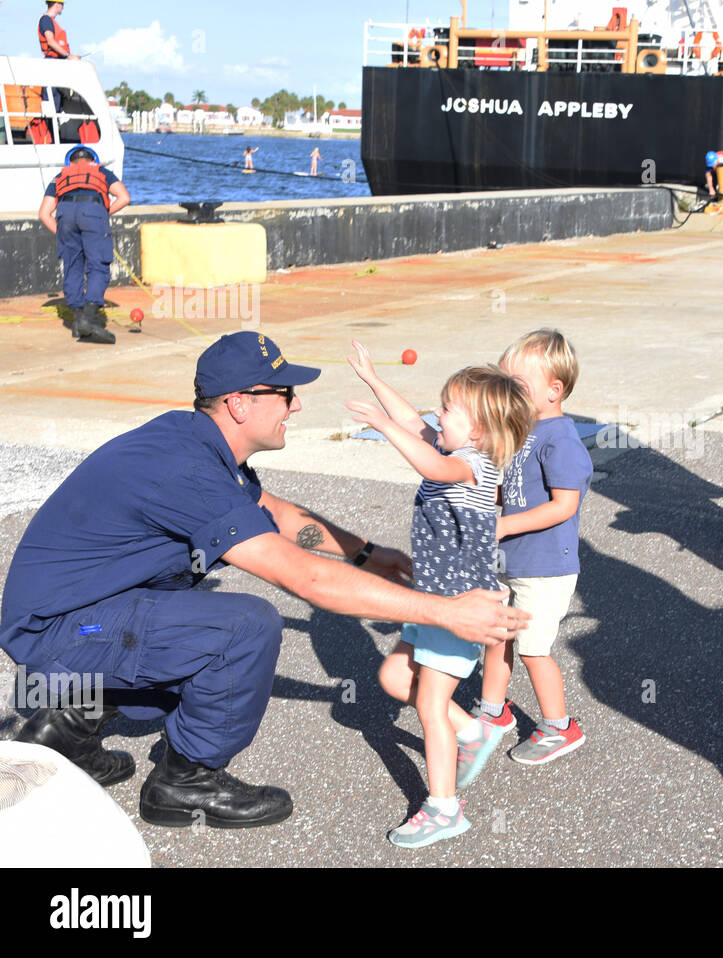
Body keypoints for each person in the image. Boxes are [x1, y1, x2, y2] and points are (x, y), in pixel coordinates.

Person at [1, 332, 528, 830]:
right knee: (244, 626)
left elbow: (276, 514)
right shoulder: (187, 470)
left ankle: (66, 728)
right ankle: (186, 781)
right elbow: (307, 580)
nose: (296, 406)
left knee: (177, 607)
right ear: (239, 403)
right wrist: (445, 611)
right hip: (58, 629)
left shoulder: (197, 442)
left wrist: (366, 554)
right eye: (285, 393)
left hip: (73, 611)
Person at [346, 345, 534, 847]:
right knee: (392, 677)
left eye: (448, 409)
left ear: (478, 431)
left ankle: (443, 808)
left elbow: (431, 464)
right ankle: (473, 732)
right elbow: (414, 423)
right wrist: (373, 380)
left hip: (460, 609)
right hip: (435, 600)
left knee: (431, 707)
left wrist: (382, 428)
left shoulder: (471, 465)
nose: (436, 413)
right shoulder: (457, 449)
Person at [476, 329, 593, 764]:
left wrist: (504, 525)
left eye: (518, 387)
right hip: (514, 560)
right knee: (497, 635)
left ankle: (559, 728)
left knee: (533, 649)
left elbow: (564, 506)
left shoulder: (560, 440)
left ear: (553, 391)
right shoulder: (522, 432)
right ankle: (492, 714)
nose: (508, 394)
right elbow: (513, 489)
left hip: (546, 568)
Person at [37, 146, 131, 345]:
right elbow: (124, 197)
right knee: (98, 266)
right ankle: (89, 318)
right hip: (93, 211)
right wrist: (103, 214)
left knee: (72, 266)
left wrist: (62, 233)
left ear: (69, 163)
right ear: (93, 160)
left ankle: (78, 322)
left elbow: (44, 213)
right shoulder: (102, 172)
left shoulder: (60, 177)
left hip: (65, 216)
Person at [38, 1, 77, 113]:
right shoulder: (46, 20)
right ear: (57, 4)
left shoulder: (52, 21)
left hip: (57, 63)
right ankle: (51, 128)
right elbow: (50, 41)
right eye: (62, 5)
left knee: (57, 99)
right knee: (52, 99)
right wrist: (68, 56)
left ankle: (55, 127)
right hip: (52, 63)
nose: (63, 8)